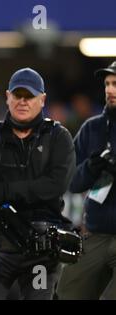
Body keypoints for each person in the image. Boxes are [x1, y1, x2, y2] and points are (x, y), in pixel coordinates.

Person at [0, 68, 76, 300]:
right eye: (17, 95)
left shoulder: (58, 136)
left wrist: (3, 191)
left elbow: (55, 186)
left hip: (42, 248)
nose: (22, 102)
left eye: (29, 96)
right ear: (7, 96)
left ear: (42, 100)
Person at [56, 61, 116, 300]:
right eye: (108, 84)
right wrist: (93, 167)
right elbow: (72, 183)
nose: (110, 90)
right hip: (96, 233)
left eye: (115, 84)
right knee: (67, 292)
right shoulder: (92, 129)